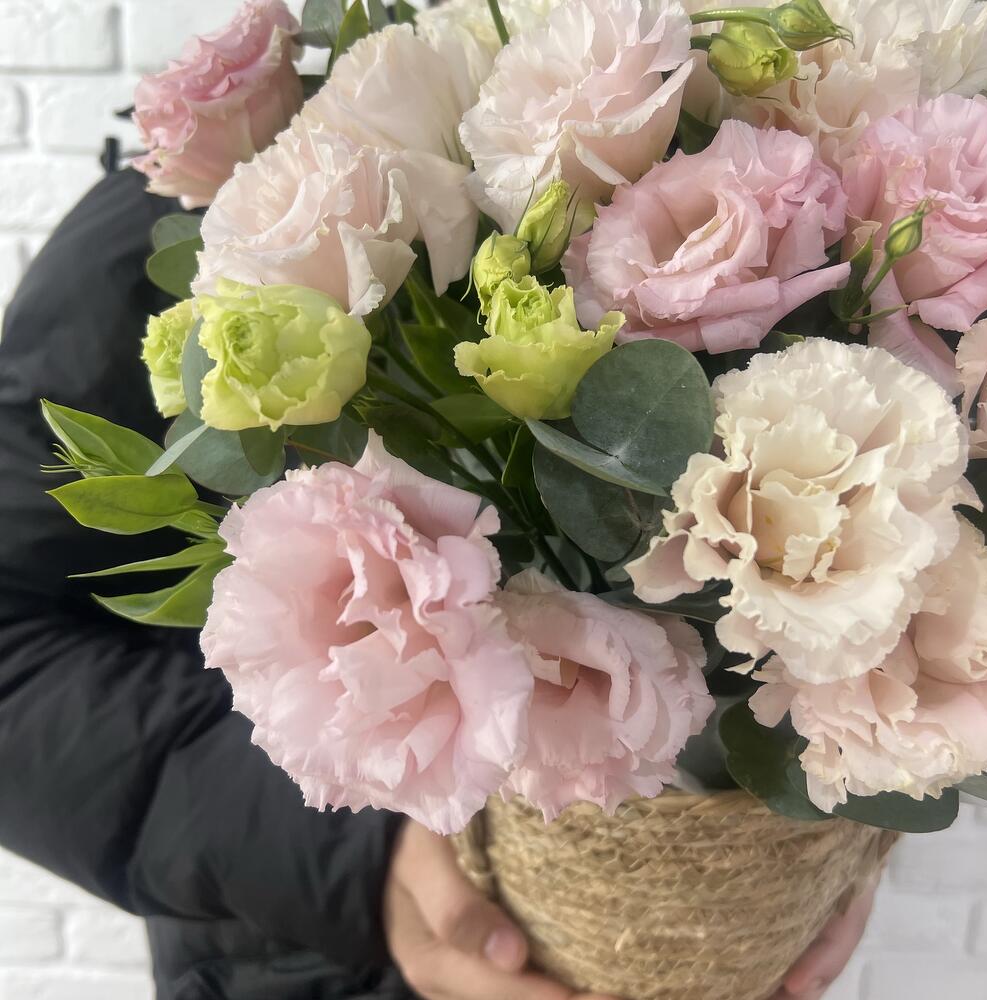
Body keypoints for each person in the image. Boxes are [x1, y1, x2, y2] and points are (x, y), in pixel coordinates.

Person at [0, 167, 875, 1000]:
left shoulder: (794, 168)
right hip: (312, 966)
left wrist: (848, 815)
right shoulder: (190, 220)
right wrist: (355, 862)